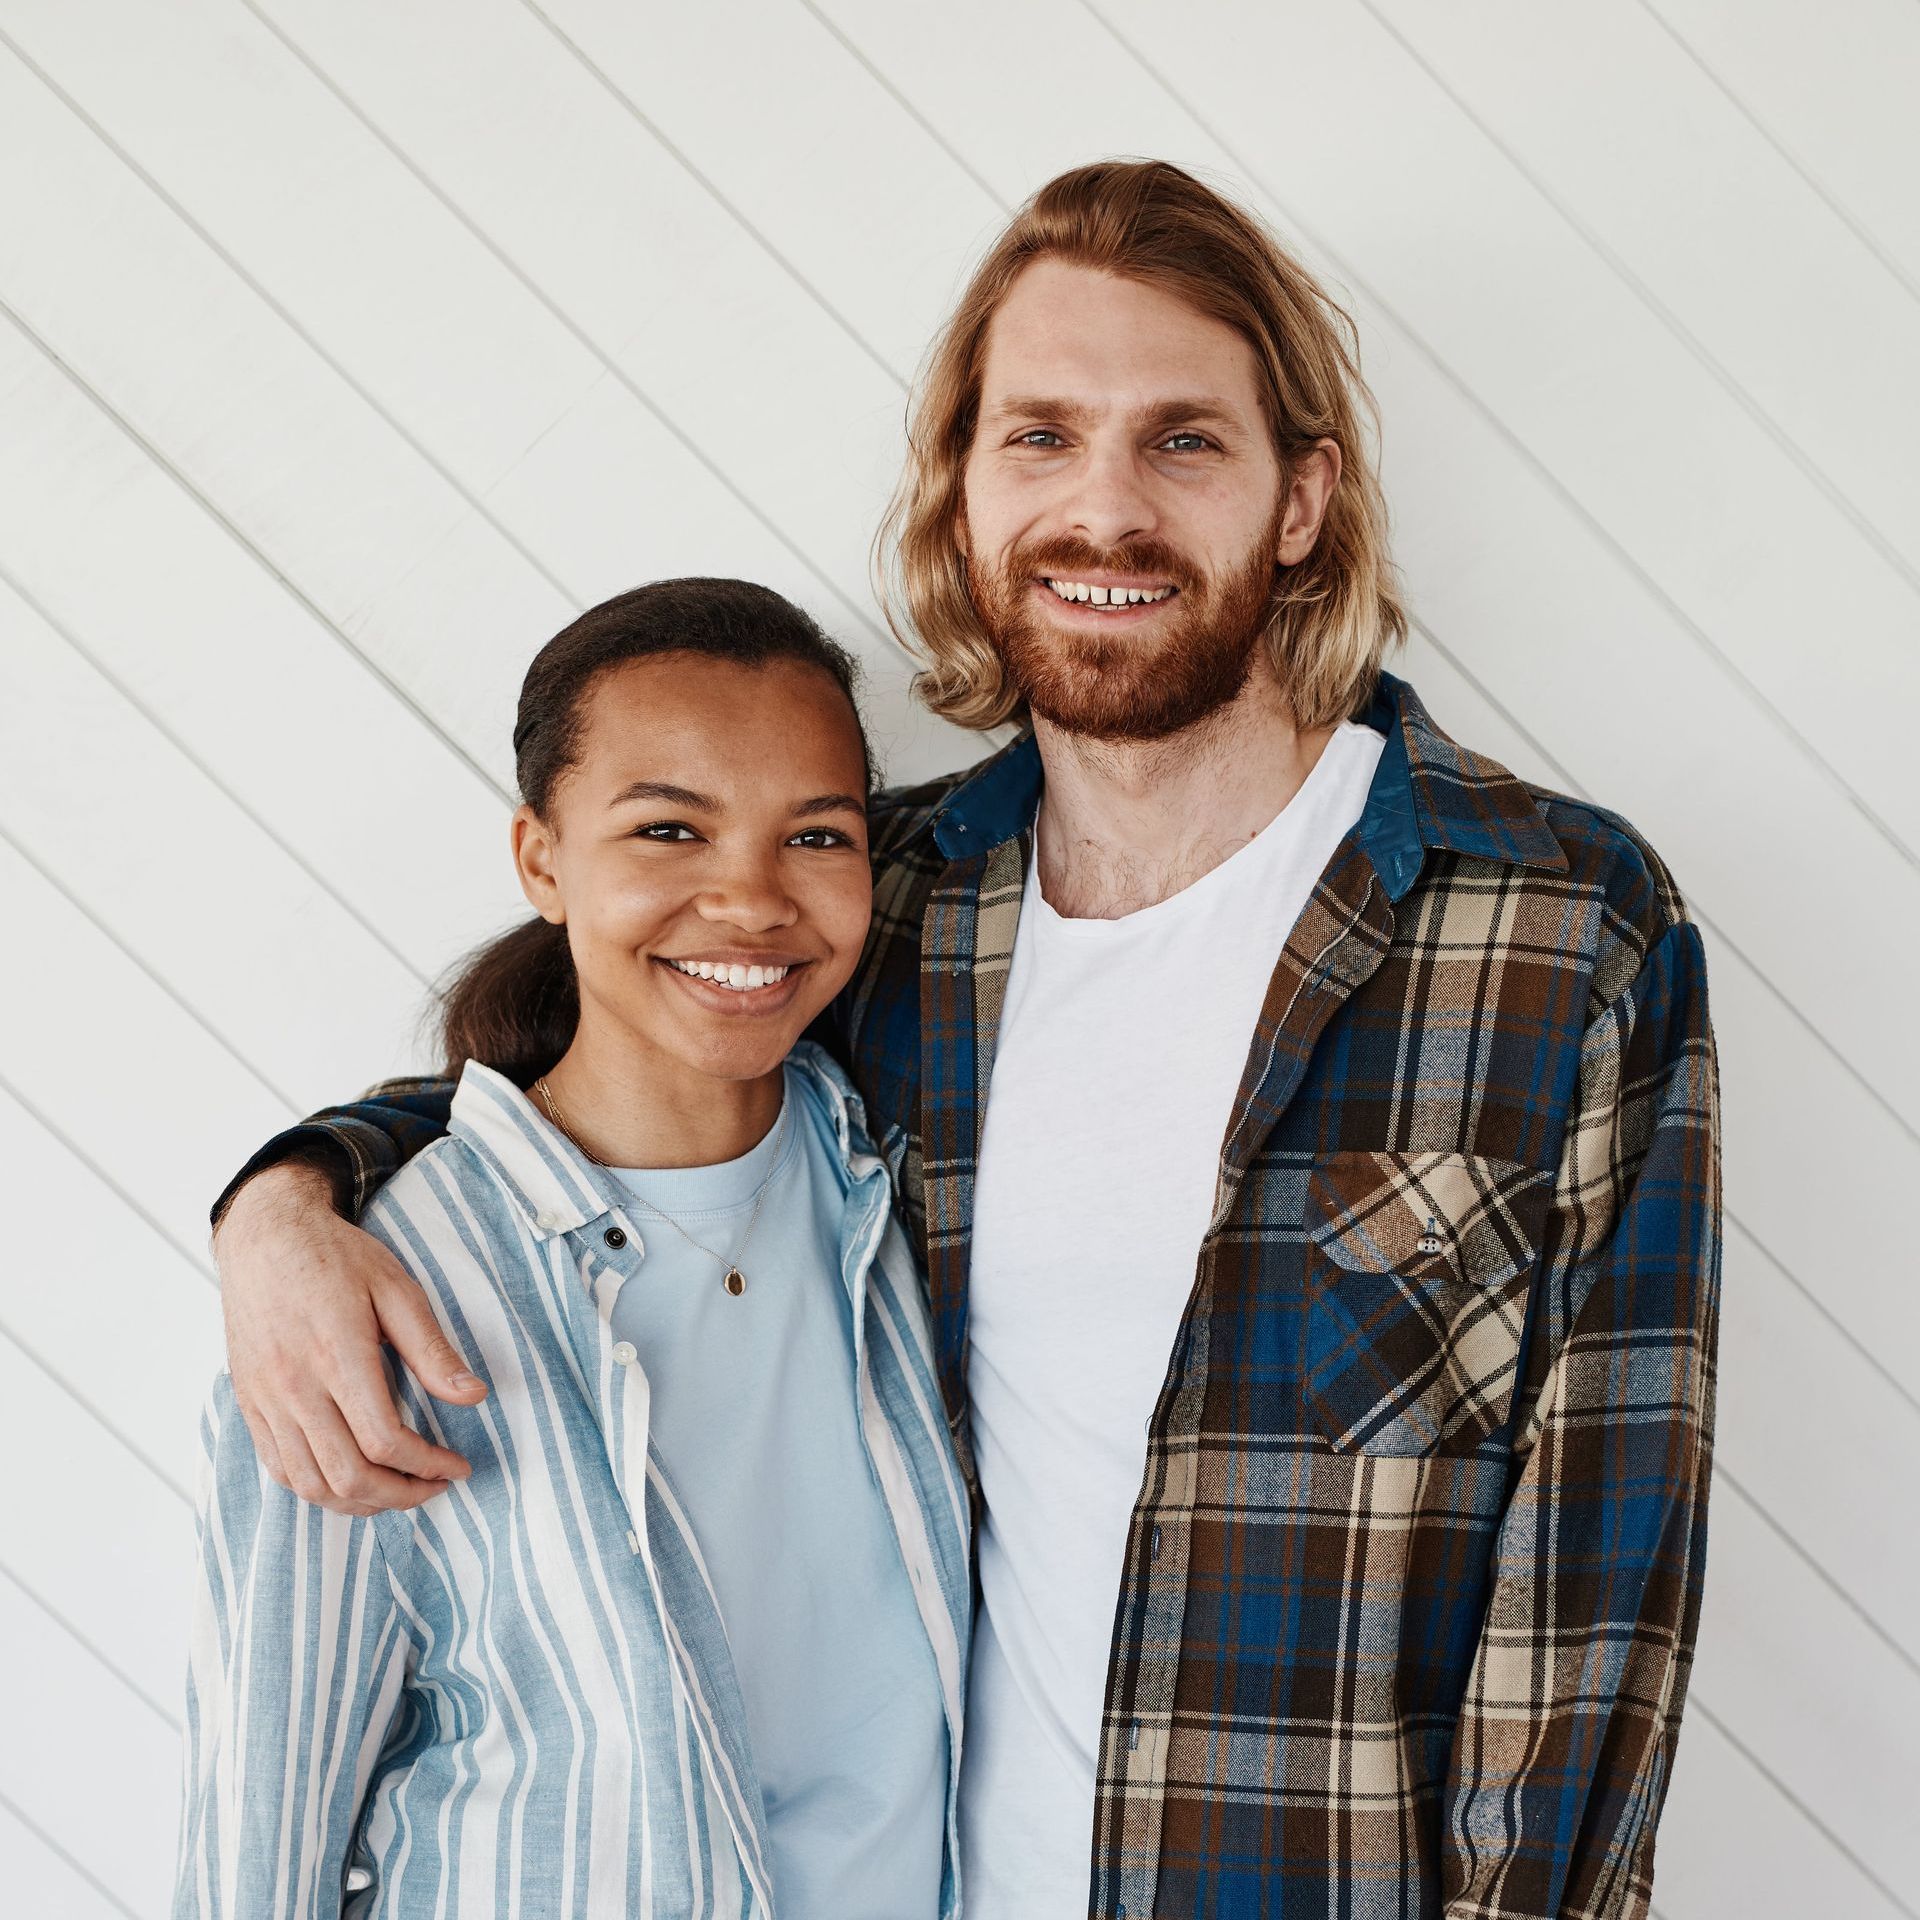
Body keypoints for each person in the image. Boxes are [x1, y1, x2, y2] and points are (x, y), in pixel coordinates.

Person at [208, 162, 1721, 1918]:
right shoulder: (891, 906)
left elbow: (1603, 1590)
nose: (1105, 511)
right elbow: (599, 1065)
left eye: (1183, 442)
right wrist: (294, 1198)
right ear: (965, 493)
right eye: (1041, 439)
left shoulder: (1555, 923)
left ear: (1300, 499)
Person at [178, 581, 969, 1918]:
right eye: (670, 828)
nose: (751, 901)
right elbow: (261, 1842)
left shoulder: (905, 1191)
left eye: (816, 837)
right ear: (542, 860)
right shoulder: (378, 1295)